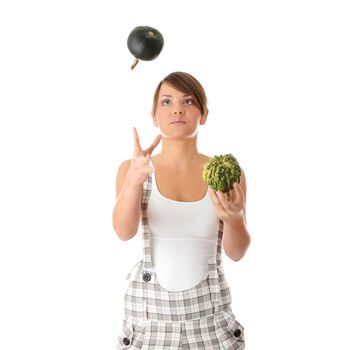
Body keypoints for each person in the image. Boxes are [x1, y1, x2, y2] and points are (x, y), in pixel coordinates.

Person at [112, 71, 251, 349]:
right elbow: (123, 232)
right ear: (154, 115)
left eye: (188, 101)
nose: (177, 108)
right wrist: (133, 183)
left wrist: (234, 219)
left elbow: (237, 252)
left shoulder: (224, 174)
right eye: (166, 102)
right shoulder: (133, 168)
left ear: (204, 114)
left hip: (209, 321)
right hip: (150, 321)